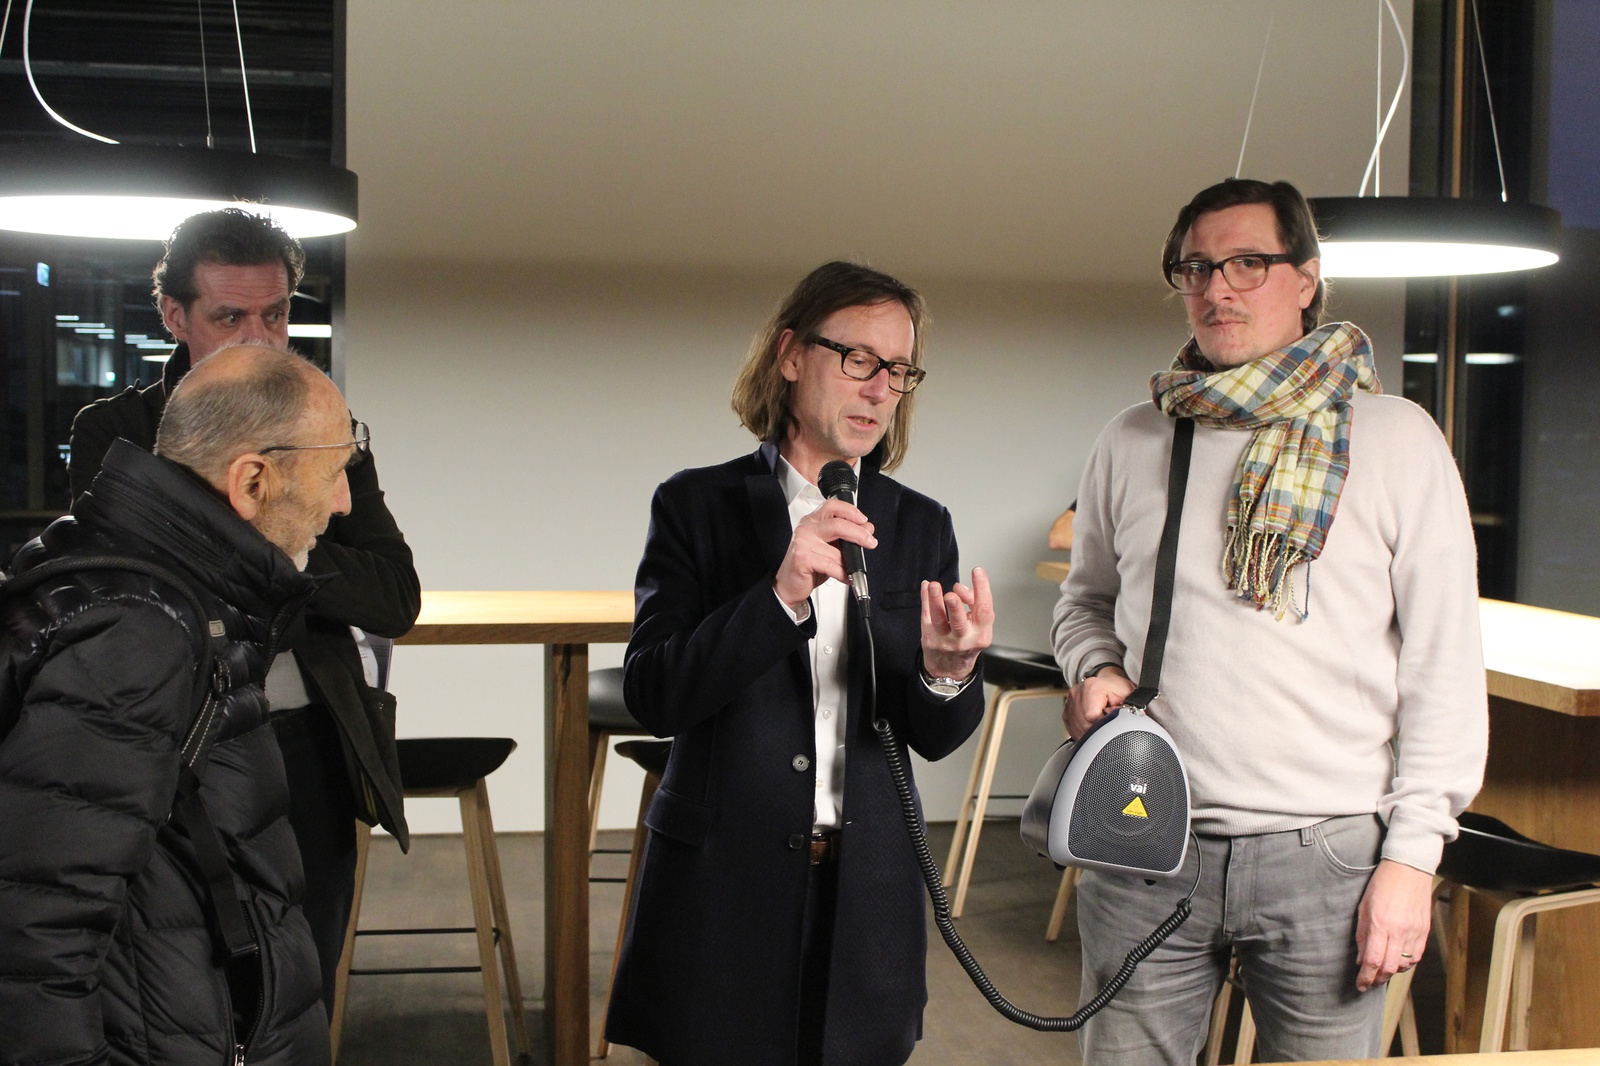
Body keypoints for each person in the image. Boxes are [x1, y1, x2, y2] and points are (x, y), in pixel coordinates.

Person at [1051, 178, 1488, 1064]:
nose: (1218, 288)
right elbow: (1084, 602)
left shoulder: (1396, 438)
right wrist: (1093, 666)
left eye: (1249, 263)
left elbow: (1443, 665)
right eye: (1197, 268)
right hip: (1145, 839)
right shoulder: (1133, 438)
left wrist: (1412, 861)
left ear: (1307, 279)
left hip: (1328, 856)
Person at [605, 261, 994, 1065]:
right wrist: (779, 594)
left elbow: (933, 736)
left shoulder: (921, 524)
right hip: (723, 892)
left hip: (868, 901)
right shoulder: (695, 506)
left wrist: (949, 670)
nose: (880, 388)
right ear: (789, 355)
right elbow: (654, 694)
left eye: (899, 370)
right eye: (858, 359)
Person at [68, 208, 419, 1013]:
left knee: (307, 985)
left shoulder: (326, 426)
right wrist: (278, 531)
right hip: (176, 743)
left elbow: (394, 596)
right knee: (178, 994)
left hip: (307, 740)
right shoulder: (117, 430)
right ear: (175, 316)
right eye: (230, 317)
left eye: (275, 314)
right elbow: (131, 594)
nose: (260, 339)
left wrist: (271, 529)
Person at [0, 345, 365, 1065]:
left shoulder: (152, 585)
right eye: (334, 472)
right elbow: (38, 925)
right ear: (252, 481)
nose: (343, 502)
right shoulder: (141, 629)